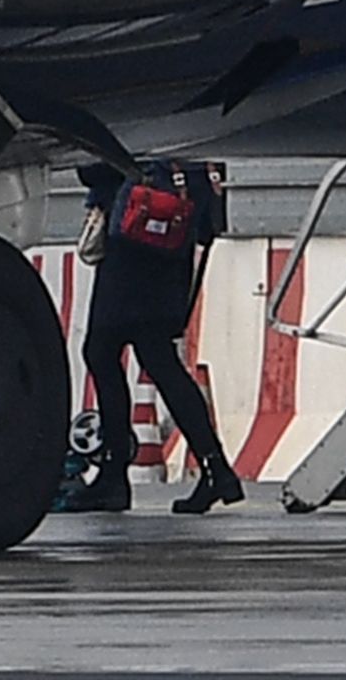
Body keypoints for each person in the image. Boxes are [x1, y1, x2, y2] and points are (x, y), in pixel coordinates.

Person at [62, 158, 243, 514]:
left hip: (135, 228)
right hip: (174, 227)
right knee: (156, 355)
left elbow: (99, 167)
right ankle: (215, 469)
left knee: (102, 350)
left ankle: (115, 475)